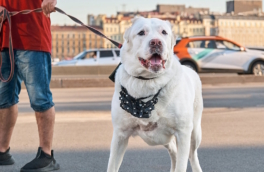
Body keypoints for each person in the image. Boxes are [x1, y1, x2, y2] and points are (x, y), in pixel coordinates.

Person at [0, 0, 59, 171]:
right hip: (4, 39)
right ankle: (2, 151)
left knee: (40, 99)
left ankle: (46, 155)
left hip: (33, 39)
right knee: (4, 100)